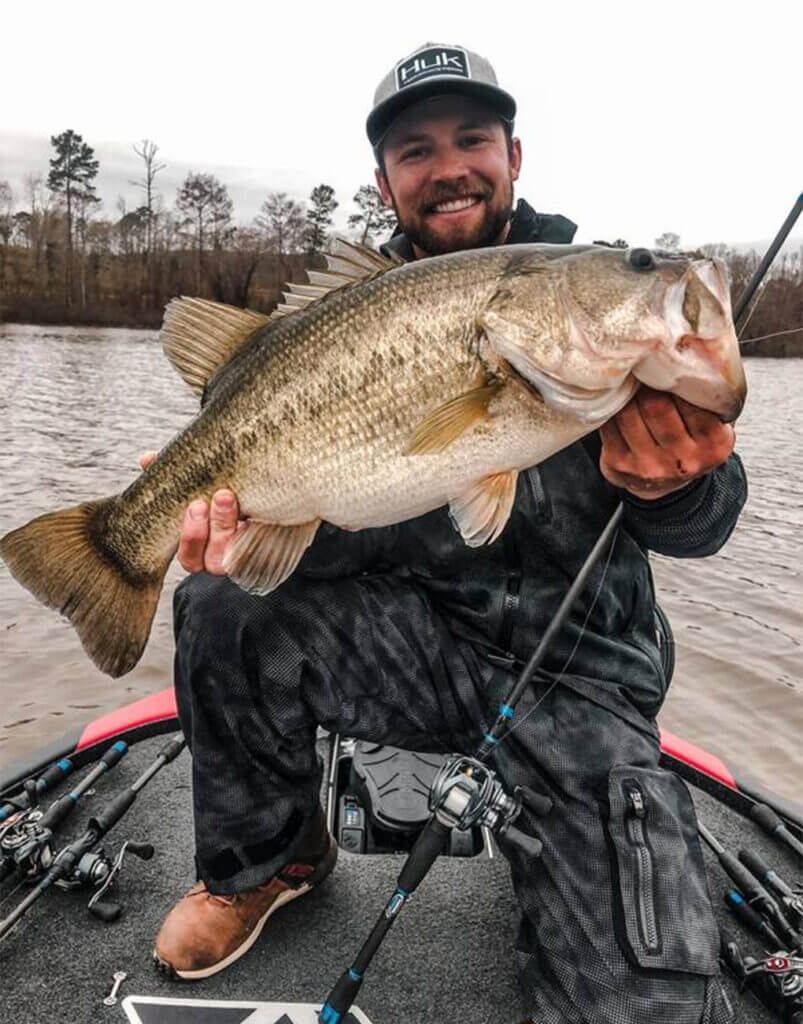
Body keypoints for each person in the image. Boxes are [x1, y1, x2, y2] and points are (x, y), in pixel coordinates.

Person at [148, 43, 745, 1023]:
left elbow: (709, 522)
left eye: (472, 138)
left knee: (639, 1007)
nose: (450, 165)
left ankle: (574, 845)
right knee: (221, 603)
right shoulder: (347, 314)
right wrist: (243, 517)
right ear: (384, 181)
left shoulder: (608, 311)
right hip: (421, 657)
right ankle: (271, 858)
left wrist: (680, 486)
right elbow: (338, 529)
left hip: (580, 683)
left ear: (515, 155)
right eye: (415, 150)